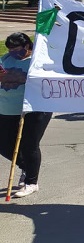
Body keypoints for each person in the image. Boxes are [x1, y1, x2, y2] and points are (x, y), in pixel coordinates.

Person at [0, 32, 53, 198]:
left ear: (27, 46)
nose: (13, 53)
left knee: (29, 144)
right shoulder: (5, 60)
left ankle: (31, 182)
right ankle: (27, 167)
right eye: (10, 49)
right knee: (4, 145)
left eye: (16, 49)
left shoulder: (37, 61)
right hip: (7, 109)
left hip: (35, 109)